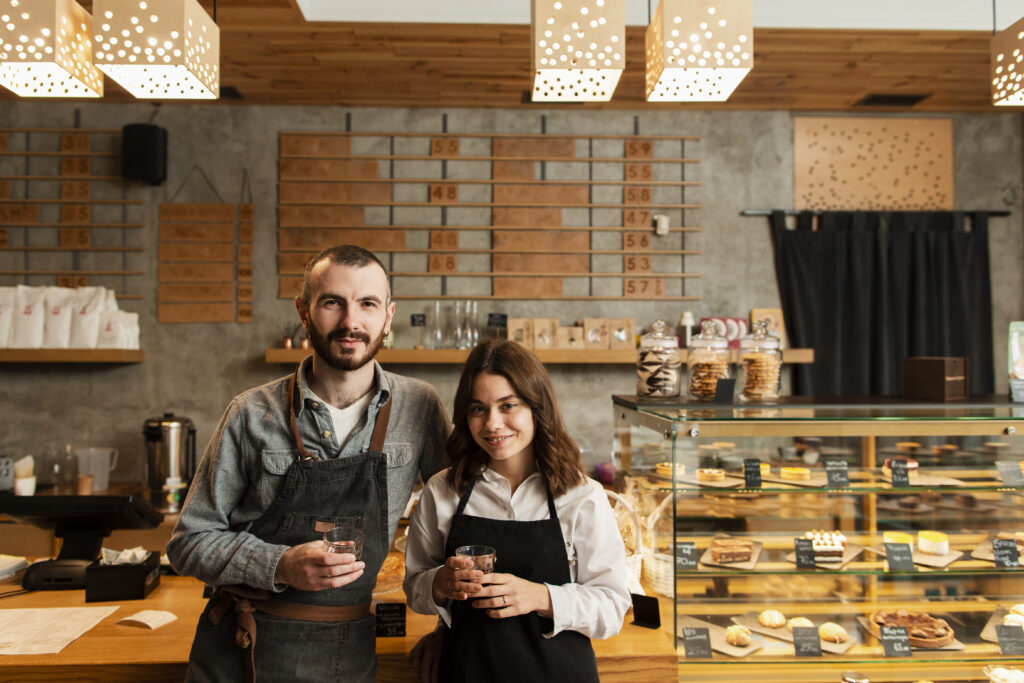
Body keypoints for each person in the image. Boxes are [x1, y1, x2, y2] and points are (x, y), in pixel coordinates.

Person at [167, 244, 450, 683]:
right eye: (332, 302)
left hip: (349, 651)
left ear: (388, 316)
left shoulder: (420, 407)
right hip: (244, 648)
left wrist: (446, 627)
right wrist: (279, 564)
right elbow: (188, 542)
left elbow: (461, 527)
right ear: (304, 311)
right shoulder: (250, 412)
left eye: (368, 304)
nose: (351, 322)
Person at [403, 337, 631, 683]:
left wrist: (541, 596)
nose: (492, 424)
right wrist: (440, 583)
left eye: (508, 405)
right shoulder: (443, 491)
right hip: (466, 673)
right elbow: (415, 588)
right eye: (478, 408)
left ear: (537, 407)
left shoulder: (582, 496)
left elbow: (613, 607)